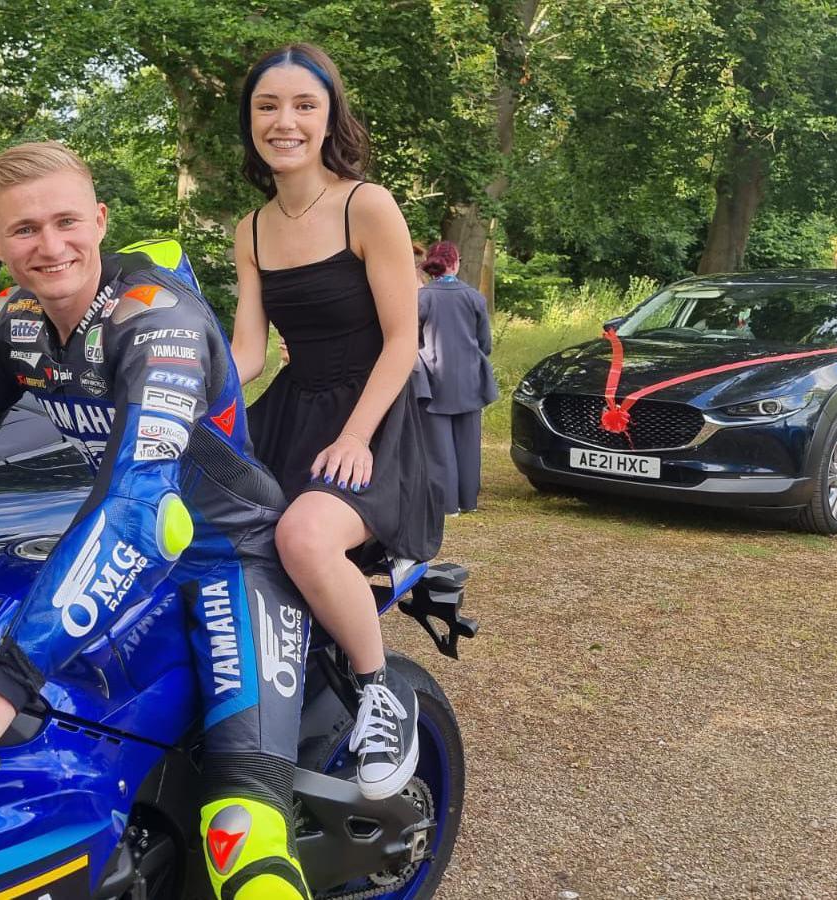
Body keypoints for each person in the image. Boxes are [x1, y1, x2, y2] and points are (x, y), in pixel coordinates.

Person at [0, 141, 315, 900]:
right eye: (25, 229)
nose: (51, 244)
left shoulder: (158, 321)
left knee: (242, 824)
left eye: (67, 220)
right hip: (128, 547)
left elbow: (137, 510)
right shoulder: (14, 319)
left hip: (227, 552)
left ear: (100, 221)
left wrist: (0, 694)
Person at [228, 43, 442, 802]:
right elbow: (247, 352)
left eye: (303, 105)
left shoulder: (366, 205)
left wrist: (354, 435)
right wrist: (180, 394)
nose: (283, 121)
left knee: (303, 535)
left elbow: (402, 340)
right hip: (293, 407)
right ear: (250, 120)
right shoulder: (250, 230)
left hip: (372, 417)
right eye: (267, 106)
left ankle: (382, 693)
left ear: (328, 118)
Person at [417, 240, 497, 515]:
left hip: (433, 380)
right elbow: (485, 343)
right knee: (468, 443)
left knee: (439, 447)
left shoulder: (422, 297)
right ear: (455, 263)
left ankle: (447, 504)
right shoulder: (474, 297)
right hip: (470, 380)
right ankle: (468, 501)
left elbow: (412, 341)